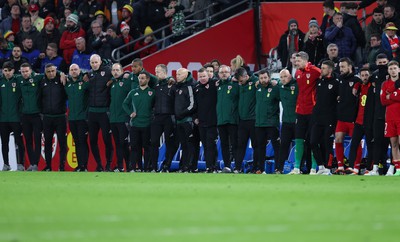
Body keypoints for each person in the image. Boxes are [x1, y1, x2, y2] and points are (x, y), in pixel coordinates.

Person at [290, 51, 320, 175]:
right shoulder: (297, 73)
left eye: (298, 61)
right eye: (295, 61)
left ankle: (314, 168)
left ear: (305, 60)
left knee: (313, 140)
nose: (296, 63)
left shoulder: (315, 71)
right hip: (300, 111)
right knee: (298, 139)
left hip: (312, 111)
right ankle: (296, 167)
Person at [309, 60, 339, 175]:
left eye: (324, 68)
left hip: (330, 118)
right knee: (313, 142)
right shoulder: (320, 81)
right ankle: (321, 166)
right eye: (321, 67)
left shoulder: (336, 82)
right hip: (317, 118)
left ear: (330, 70)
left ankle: (328, 167)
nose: (321, 70)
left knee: (327, 143)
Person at [334, 57, 362, 174]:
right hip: (341, 117)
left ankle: (356, 167)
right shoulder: (339, 79)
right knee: (338, 140)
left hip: (353, 118)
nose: (341, 69)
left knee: (356, 142)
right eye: (340, 67)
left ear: (350, 67)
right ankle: (340, 166)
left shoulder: (357, 81)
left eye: (343, 67)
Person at [123, 71, 155, 172]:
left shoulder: (152, 92)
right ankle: (135, 167)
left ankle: (146, 168)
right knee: (134, 147)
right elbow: (124, 104)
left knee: (147, 147)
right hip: (135, 124)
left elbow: (156, 106)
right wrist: (130, 112)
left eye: (142, 78)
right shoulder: (133, 92)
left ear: (148, 79)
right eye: (139, 78)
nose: (140, 80)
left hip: (147, 124)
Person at [86, 54, 114, 172]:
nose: (94, 65)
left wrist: (113, 79)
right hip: (92, 113)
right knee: (92, 140)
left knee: (107, 139)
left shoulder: (108, 71)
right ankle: (99, 164)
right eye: (92, 63)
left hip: (104, 112)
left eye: (96, 62)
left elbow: (121, 73)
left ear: (100, 62)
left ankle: (108, 164)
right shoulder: (89, 74)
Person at [39, 63, 67, 171]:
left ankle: (62, 166)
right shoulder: (42, 82)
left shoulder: (61, 80)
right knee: (47, 143)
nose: (51, 73)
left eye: (53, 71)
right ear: (45, 72)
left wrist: (61, 73)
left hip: (60, 117)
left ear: (56, 70)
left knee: (62, 143)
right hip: (47, 117)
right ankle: (48, 166)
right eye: (48, 71)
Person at [365, 53, 391, 175]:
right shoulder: (374, 76)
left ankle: (391, 167)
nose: (382, 65)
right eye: (380, 63)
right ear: (376, 63)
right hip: (377, 115)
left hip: (391, 114)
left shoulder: (392, 77)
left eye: (384, 63)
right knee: (377, 141)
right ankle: (376, 167)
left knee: (392, 142)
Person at [346, 68, 374, 175]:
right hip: (358, 121)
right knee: (354, 144)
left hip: (369, 122)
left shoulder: (372, 87)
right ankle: (353, 168)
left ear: (370, 75)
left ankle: (369, 169)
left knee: (370, 145)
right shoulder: (359, 87)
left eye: (366, 75)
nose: (365, 77)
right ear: (360, 76)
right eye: (362, 75)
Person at [151, 64, 177, 172]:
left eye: (158, 72)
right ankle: (153, 167)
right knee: (153, 142)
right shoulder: (155, 85)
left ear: (165, 72)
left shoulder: (172, 84)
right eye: (156, 72)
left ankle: (167, 165)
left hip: (169, 117)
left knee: (169, 142)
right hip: (157, 117)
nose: (156, 74)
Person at [0, 61, 25, 171]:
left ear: (13, 71)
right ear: (2, 71)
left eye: (9, 70)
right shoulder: (0, 81)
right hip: (3, 118)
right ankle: (6, 164)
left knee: (19, 141)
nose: (7, 73)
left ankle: (21, 164)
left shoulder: (18, 80)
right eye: (5, 71)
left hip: (16, 117)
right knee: (4, 142)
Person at [254, 70, 280, 174]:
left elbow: (283, 87)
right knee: (260, 146)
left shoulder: (275, 87)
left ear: (269, 77)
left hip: (272, 122)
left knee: (276, 146)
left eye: (265, 77)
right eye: (261, 78)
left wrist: (277, 81)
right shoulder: (257, 87)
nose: (263, 80)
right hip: (259, 123)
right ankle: (261, 169)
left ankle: (278, 168)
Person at [18, 63, 43, 172]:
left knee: (37, 140)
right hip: (25, 115)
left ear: (31, 71)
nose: (25, 74)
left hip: (36, 115)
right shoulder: (18, 79)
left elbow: (50, 72)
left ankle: (35, 164)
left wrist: (60, 73)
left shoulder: (37, 77)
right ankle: (32, 163)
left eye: (26, 71)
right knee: (27, 140)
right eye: (23, 72)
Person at [65, 64, 89, 172]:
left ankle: (84, 166)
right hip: (72, 118)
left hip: (82, 118)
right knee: (77, 142)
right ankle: (79, 165)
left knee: (83, 141)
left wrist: (85, 74)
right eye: (71, 70)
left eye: (75, 69)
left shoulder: (84, 81)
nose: (74, 71)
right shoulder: (68, 84)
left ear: (79, 70)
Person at [235, 67, 258, 173]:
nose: (240, 83)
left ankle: (255, 168)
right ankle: (237, 168)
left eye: (241, 81)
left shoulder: (255, 82)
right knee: (240, 145)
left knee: (255, 145)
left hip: (253, 120)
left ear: (246, 76)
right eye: (238, 81)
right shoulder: (240, 85)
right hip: (242, 120)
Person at [194, 67, 218, 173]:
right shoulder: (197, 87)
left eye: (204, 76)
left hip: (212, 121)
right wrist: (195, 117)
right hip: (201, 122)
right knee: (205, 145)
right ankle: (210, 166)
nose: (202, 78)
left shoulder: (214, 84)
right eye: (200, 77)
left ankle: (212, 166)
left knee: (210, 145)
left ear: (208, 76)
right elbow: (195, 105)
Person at [109, 63, 132, 172]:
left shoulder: (127, 82)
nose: (115, 72)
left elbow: (135, 78)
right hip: (113, 119)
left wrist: (128, 73)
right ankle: (120, 166)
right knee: (117, 144)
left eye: (117, 70)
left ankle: (128, 165)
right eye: (113, 70)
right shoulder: (112, 84)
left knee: (123, 143)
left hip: (123, 118)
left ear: (122, 71)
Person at [216, 65, 239, 172]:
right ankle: (227, 166)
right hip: (221, 120)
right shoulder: (217, 86)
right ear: (219, 74)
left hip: (232, 120)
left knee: (235, 144)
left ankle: (237, 166)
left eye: (226, 72)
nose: (224, 74)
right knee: (224, 145)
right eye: (222, 72)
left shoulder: (235, 84)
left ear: (230, 73)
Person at [174, 68, 196, 172]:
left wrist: (182, 114)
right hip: (179, 121)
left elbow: (192, 105)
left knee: (189, 144)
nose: (177, 76)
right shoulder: (177, 87)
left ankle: (189, 166)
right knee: (183, 145)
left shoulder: (189, 87)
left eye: (179, 74)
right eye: (176, 74)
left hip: (187, 120)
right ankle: (183, 166)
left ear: (186, 75)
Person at [380, 60, 400, 176]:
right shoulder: (384, 84)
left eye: (394, 68)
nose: (393, 70)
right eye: (391, 68)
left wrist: (390, 95)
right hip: (390, 117)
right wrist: (396, 93)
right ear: (388, 70)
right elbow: (383, 100)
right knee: (394, 144)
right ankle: (398, 169)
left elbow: (388, 97)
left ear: (399, 70)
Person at [278, 69, 298, 174]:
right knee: (283, 145)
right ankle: (280, 168)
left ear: (290, 76)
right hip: (286, 121)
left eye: (285, 76)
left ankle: (302, 167)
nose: (283, 79)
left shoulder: (297, 85)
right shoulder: (279, 88)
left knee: (301, 145)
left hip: (298, 121)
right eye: (281, 77)